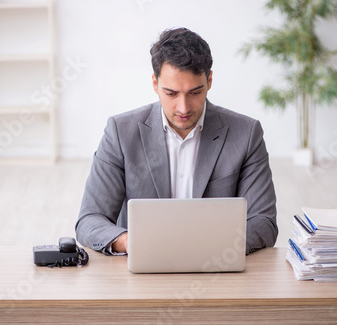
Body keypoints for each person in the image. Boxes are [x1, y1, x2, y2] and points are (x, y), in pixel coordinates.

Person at [75, 27, 277, 255]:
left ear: (209, 81)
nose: (183, 108)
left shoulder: (246, 134)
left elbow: (263, 222)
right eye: (171, 93)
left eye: (195, 92)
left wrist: (208, 248)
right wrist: (130, 242)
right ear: (155, 84)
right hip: (143, 268)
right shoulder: (120, 133)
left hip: (216, 266)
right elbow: (90, 219)